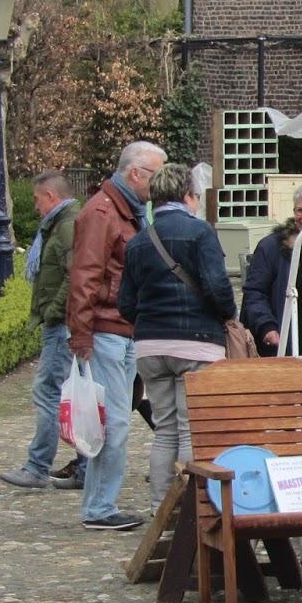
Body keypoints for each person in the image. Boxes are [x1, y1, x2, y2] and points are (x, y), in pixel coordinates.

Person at [117, 163, 237, 505]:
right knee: (190, 430)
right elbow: (217, 288)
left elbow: (125, 304)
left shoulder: (139, 241)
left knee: (164, 430)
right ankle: (190, 512)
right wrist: (228, 315)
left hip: (150, 347)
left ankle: (160, 509)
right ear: (188, 196)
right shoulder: (200, 233)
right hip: (196, 345)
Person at [68, 139, 166, 532]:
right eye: (156, 175)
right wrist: (81, 337)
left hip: (122, 329)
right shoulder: (102, 212)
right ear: (135, 173)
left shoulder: (127, 211)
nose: (158, 184)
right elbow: (84, 277)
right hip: (106, 330)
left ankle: (99, 504)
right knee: (113, 424)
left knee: (115, 421)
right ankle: (99, 507)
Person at [0, 172, 82, 490]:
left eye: (36, 199)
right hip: (63, 322)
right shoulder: (62, 223)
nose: (34, 206)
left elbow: (74, 275)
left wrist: (53, 312)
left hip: (61, 324)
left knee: (49, 391)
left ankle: (37, 467)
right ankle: (84, 467)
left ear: (50, 196)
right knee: (71, 394)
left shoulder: (65, 226)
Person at [242, 181, 302, 356]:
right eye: (299, 210)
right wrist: (267, 326)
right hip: (287, 343)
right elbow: (255, 291)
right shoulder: (273, 247)